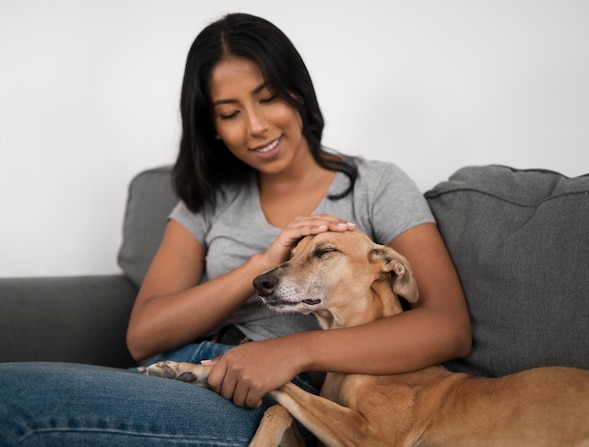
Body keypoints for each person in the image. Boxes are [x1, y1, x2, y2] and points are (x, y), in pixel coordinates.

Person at [0, 12, 471, 446]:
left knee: (11, 399)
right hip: (185, 363)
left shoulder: (376, 185)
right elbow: (144, 335)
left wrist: (294, 353)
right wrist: (263, 264)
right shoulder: (208, 198)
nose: (257, 127)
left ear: (298, 92)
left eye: (268, 98)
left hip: (268, 392)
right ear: (212, 128)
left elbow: (448, 326)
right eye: (230, 113)